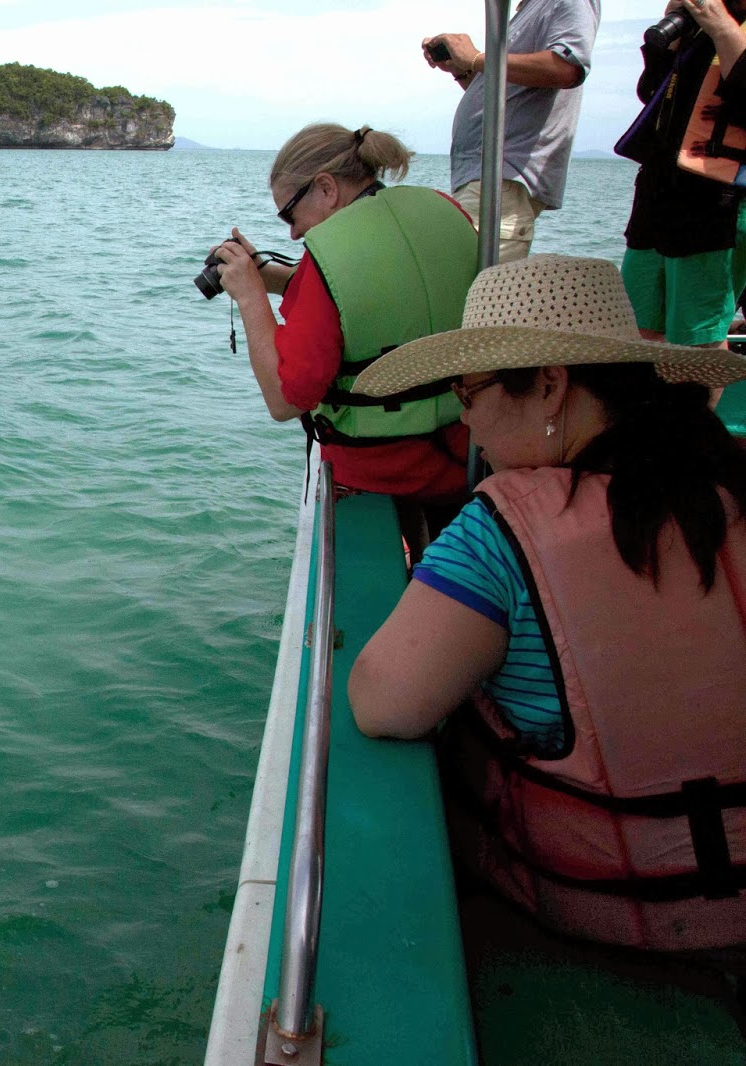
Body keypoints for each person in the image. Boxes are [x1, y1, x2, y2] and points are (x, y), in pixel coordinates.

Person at [347, 254, 746, 952]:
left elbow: (384, 705)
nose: (466, 424)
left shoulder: (505, 529)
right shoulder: (730, 481)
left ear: (551, 385)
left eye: (469, 394)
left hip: (594, 914)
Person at [212, 123, 476, 547]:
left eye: (289, 215)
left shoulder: (328, 258)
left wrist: (248, 298)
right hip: (468, 453)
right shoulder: (446, 210)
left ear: (326, 187)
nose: (293, 234)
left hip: (381, 473)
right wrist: (263, 276)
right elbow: (375, 292)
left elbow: (285, 399)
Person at [424, 0, 600, 262]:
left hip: (501, 179)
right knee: (461, 292)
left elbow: (566, 68)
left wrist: (478, 58)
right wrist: (464, 70)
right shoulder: (531, 9)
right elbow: (508, 96)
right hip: (489, 178)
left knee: (467, 294)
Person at [620, 0, 746, 352]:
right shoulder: (699, 27)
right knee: (638, 327)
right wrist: (672, 37)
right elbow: (651, 93)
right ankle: (647, 406)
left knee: (699, 336)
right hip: (660, 193)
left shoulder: (722, 25)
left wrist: (723, 29)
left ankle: (694, 409)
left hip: (717, 205)